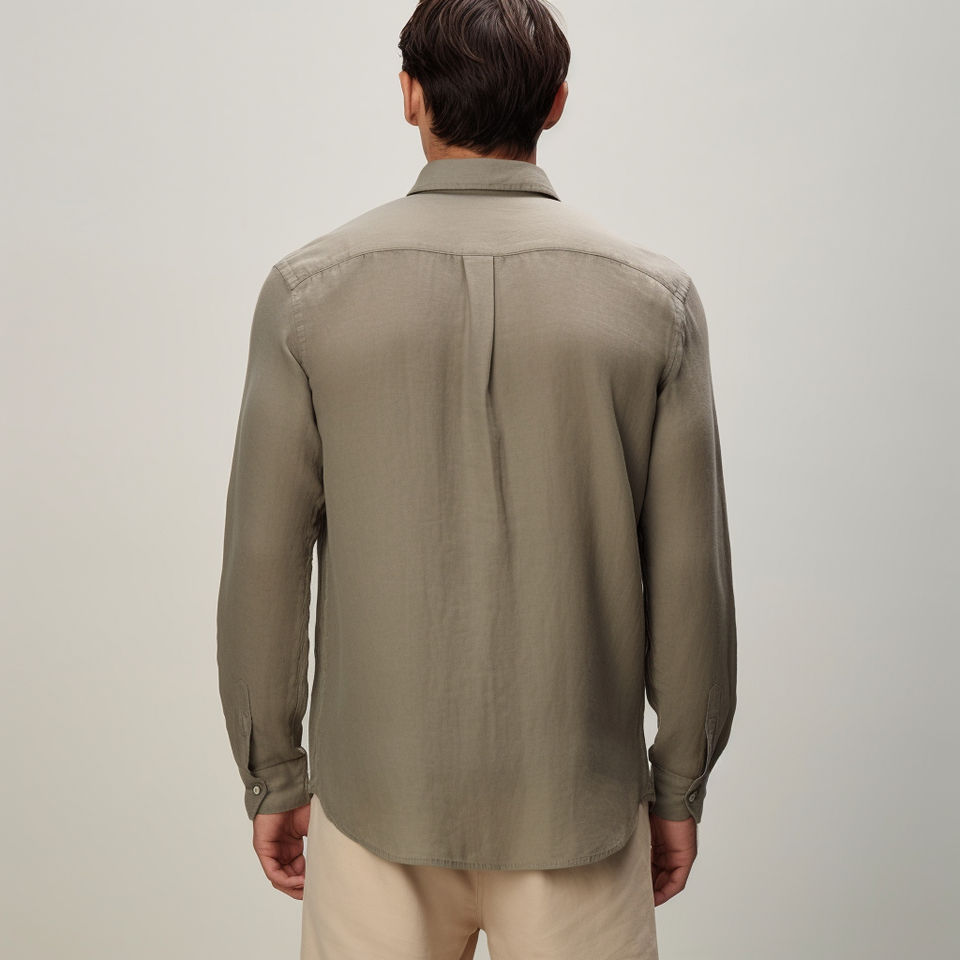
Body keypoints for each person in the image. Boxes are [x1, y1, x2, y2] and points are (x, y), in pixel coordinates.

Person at [216, 1, 737, 957]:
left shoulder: (308, 292)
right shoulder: (653, 303)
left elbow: (263, 561)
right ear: (557, 102)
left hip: (375, 802)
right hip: (580, 806)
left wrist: (274, 773)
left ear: (409, 95)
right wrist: (678, 787)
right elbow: (689, 577)